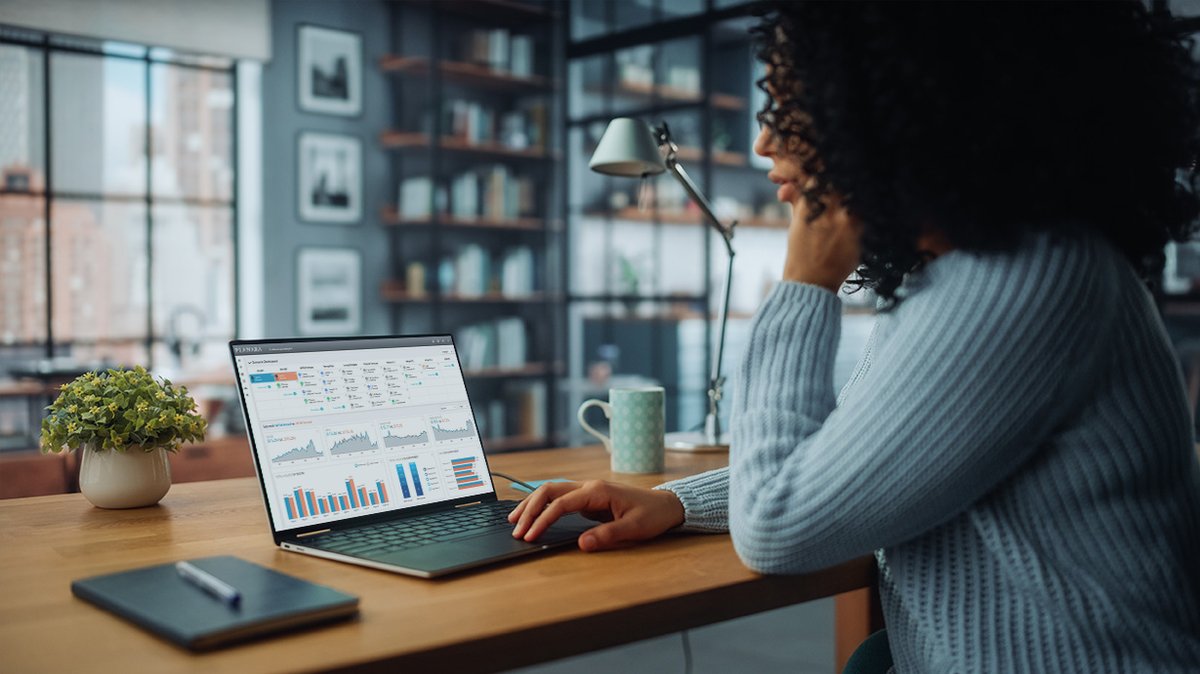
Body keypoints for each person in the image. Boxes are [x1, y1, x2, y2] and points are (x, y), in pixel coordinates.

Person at [513, 2, 1200, 672]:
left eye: (788, 109)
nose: (763, 142)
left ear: (891, 106)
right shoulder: (953, 275)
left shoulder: (1025, 279)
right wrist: (676, 502)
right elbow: (844, 459)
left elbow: (777, 528)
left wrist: (806, 281)